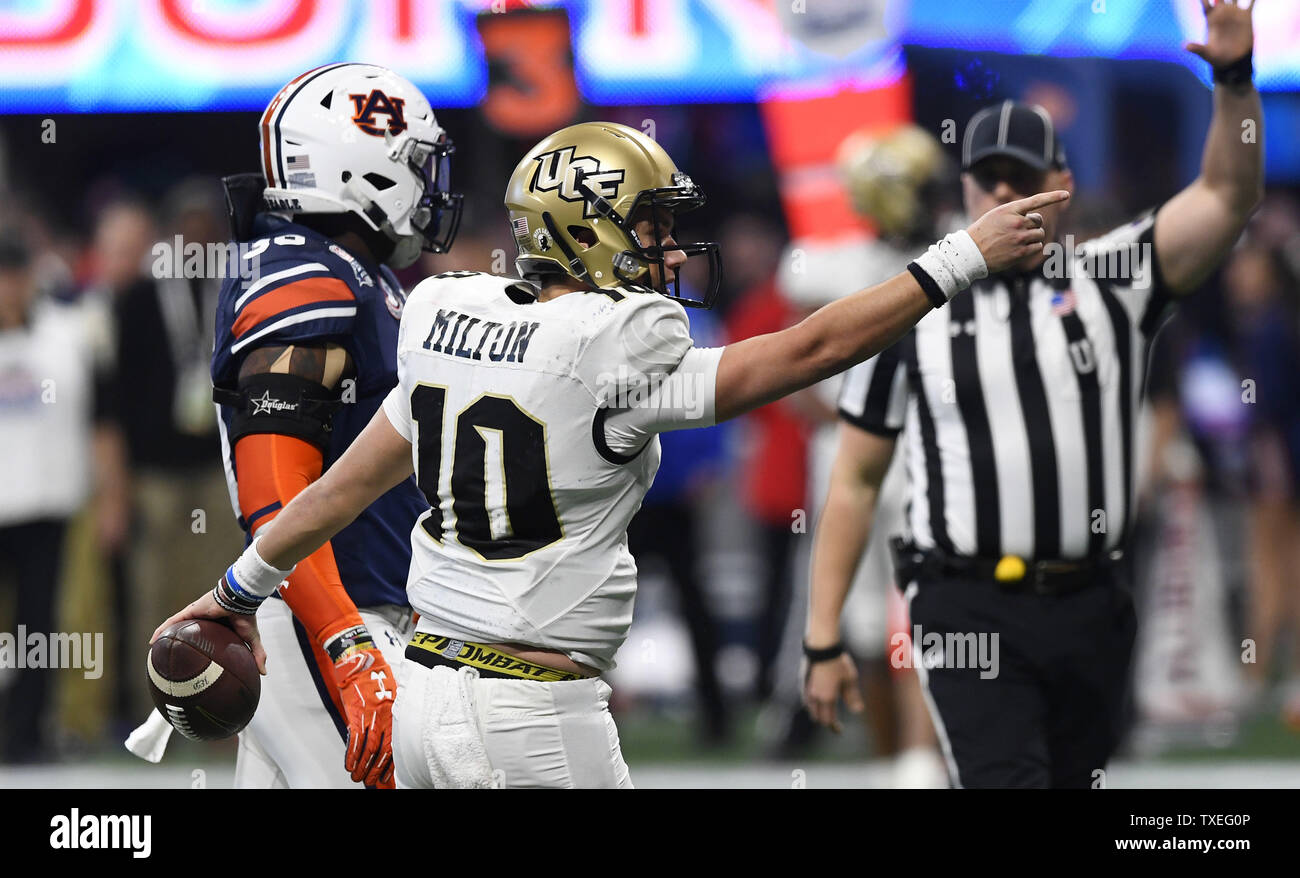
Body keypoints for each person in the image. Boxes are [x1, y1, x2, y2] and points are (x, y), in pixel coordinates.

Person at [156, 119, 1066, 788]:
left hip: (423, 701)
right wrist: (958, 260)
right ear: (587, 227)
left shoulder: (442, 312)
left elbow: (341, 487)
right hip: (537, 715)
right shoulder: (617, 340)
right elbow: (808, 352)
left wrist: (236, 589)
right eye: (650, 223)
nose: (669, 247)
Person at [802, 0, 1263, 788]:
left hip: (1091, 600)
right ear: (967, 190)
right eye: (992, 179)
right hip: (964, 599)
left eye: (1025, 177)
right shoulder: (916, 303)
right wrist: (821, 637)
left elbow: (1225, 198)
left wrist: (1233, 78)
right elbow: (855, 476)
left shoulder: (1113, 276)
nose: (1008, 194)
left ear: (1064, 182)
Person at [139, 63, 463, 788]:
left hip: (333, 608)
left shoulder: (354, 272)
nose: (432, 187)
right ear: (364, 168)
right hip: (324, 611)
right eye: (417, 165)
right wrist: (344, 639)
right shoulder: (302, 269)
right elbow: (277, 485)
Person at [0, 232, 121, 762]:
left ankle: (27, 733)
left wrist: (112, 493)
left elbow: (102, 420)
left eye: (12, 276)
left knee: (39, 623)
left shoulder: (69, 333)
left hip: (49, 502)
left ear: (28, 278)